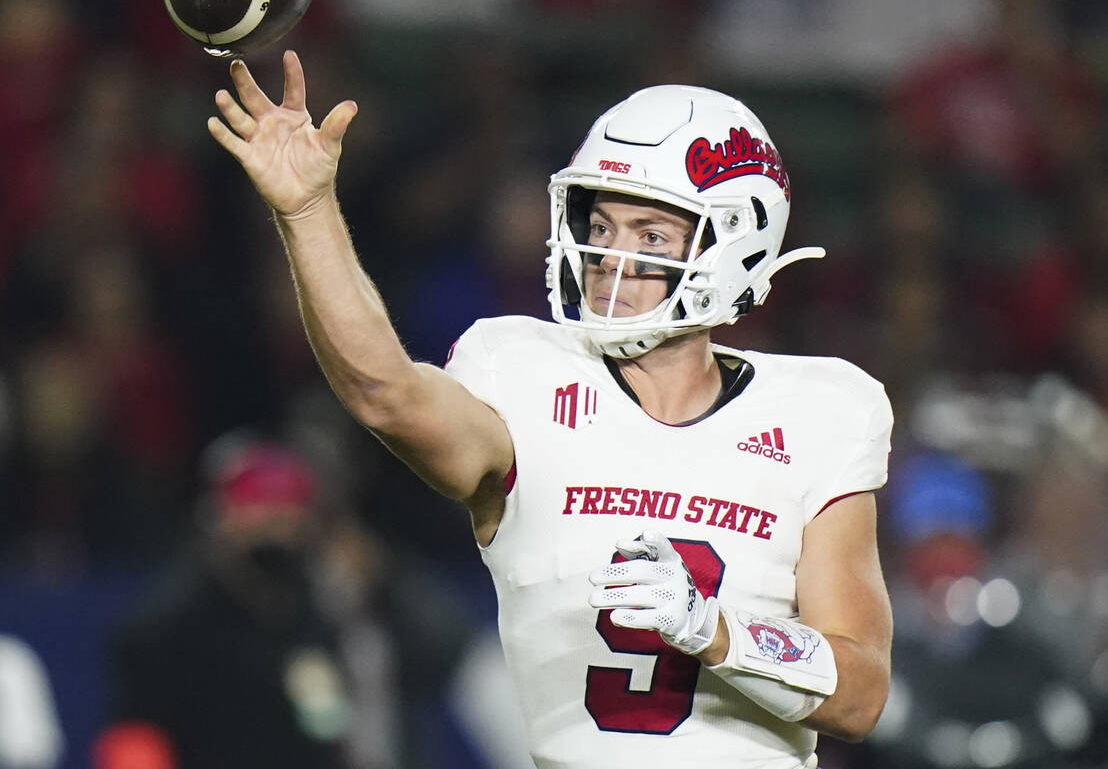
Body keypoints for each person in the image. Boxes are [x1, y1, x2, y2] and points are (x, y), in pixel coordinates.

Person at [207, 50, 894, 769]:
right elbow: (385, 394)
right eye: (601, 227)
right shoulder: (523, 375)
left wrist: (713, 630)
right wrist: (309, 212)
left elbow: (860, 693)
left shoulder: (820, 411)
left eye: (650, 236)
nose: (608, 258)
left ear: (735, 246)